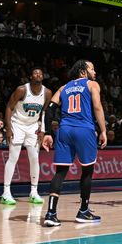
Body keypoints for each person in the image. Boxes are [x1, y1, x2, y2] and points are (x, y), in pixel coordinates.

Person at [40, 60, 107, 227]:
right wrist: (104, 130)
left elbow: (49, 109)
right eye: (92, 68)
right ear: (83, 72)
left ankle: (51, 213)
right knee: (87, 171)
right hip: (84, 130)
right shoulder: (92, 85)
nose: (95, 71)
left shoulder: (64, 88)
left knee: (60, 172)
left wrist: (47, 133)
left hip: (64, 130)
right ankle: (83, 211)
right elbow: (97, 107)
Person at [1, 67, 51, 206]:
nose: (38, 74)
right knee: (13, 157)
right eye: (35, 72)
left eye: (41, 73)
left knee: (35, 158)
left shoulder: (47, 92)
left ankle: (34, 192)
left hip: (33, 126)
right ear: (30, 76)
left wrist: (43, 130)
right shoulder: (22, 90)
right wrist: (9, 128)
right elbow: (9, 107)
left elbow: (44, 113)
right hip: (17, 124)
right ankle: (6, 192)